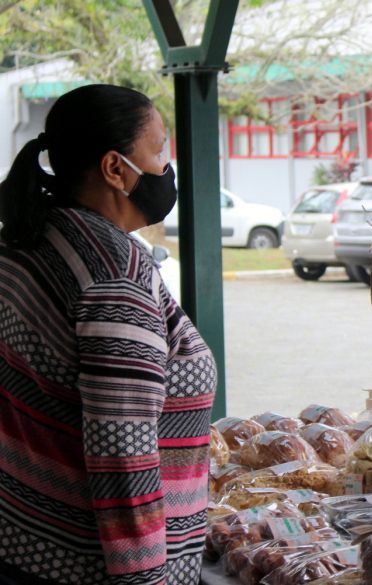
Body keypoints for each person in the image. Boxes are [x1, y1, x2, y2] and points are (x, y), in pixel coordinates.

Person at [0, 85, 216, 584]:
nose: (167, 166)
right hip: (85, 567)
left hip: (24, 536)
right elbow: (123, 452)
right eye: (158, 150)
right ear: (116, 169)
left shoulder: (32, 238)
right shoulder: (115, 280)